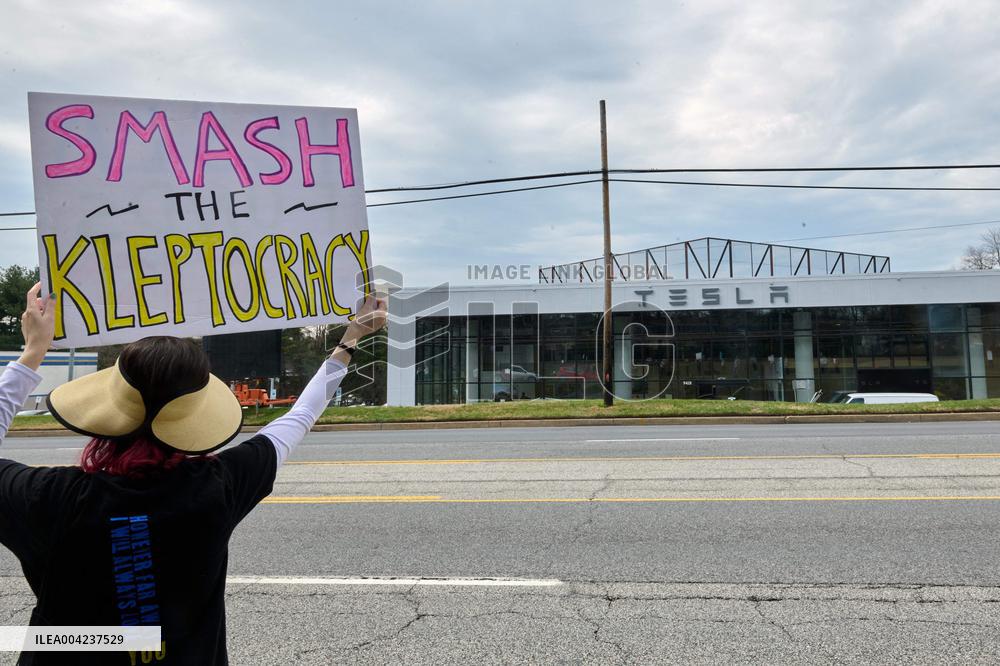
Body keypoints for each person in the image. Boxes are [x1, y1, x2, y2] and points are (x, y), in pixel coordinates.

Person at [0, 282, 387, 665]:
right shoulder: (218, 487)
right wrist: (350, 338)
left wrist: (33, 352)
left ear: (109, 403)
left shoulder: (47, 496)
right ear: (197, 412)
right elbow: (299, 417)